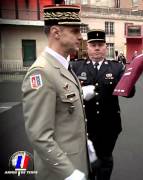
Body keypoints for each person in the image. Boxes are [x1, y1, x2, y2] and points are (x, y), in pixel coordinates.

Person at [21, 4, 89, 180]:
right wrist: (69, 173)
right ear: (56, 33)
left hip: (77, 160)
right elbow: (40, 136)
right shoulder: (42, 72)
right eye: (74, 31)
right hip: (60, 173)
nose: (80, 36)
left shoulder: (63, 66)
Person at [71, 29, 135, 180]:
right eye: (93, 45)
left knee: (105, 158)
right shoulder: (76, 67)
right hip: (85, 124)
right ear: (87, 47)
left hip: (110, 124)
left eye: (100, 44)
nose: (97, 48)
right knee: (88, 159)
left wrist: (131, 80)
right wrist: (80, 93)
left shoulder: (117, 67)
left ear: (106, 47)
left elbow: (129, 94)